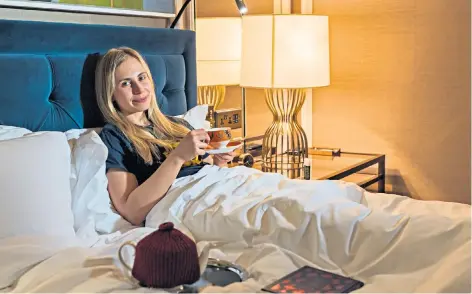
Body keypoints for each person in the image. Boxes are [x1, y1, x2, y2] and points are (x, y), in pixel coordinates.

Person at [96, 47, 236, 226]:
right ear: (111, 94)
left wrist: (221, 161)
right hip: (188, 204)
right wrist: (177, 157)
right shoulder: (115, 137)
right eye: (125, 83)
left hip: (220, 190)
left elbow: (209, 172)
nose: (139, 89)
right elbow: (132, 212)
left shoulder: (178, 125)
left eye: (142, 77)